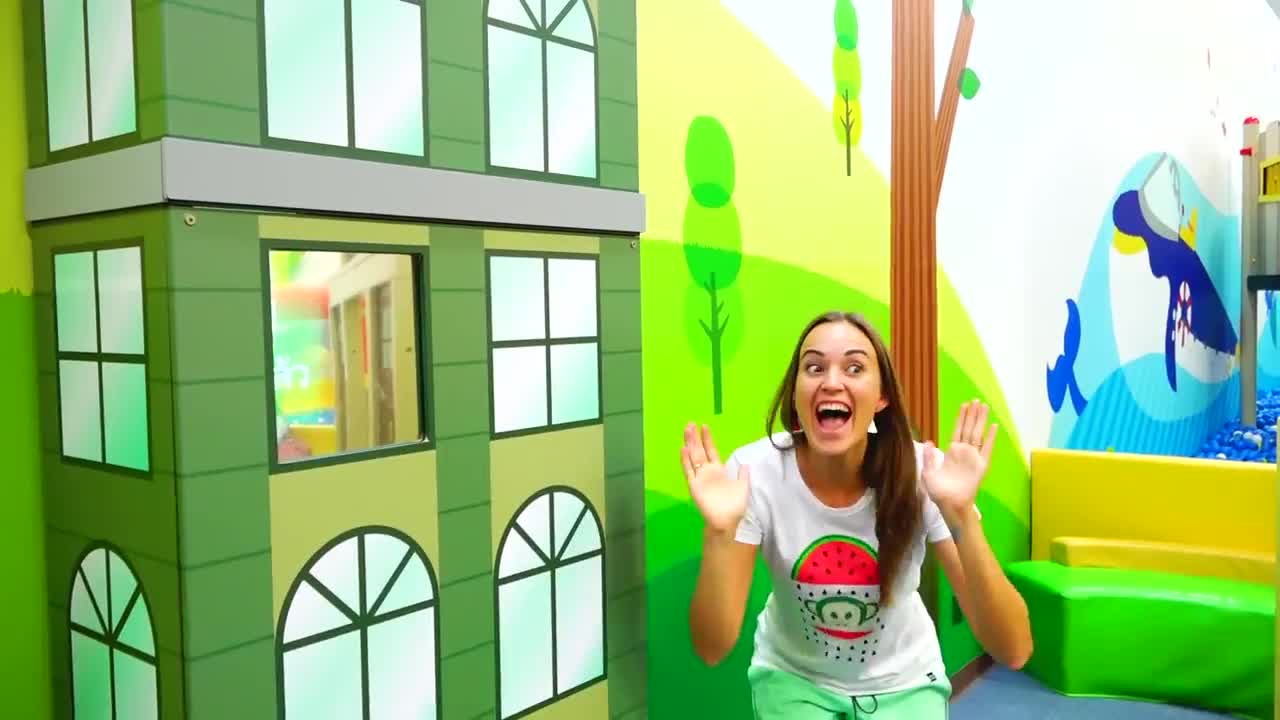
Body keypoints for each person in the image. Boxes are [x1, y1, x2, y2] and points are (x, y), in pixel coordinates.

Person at [682, 310, 1032, 719]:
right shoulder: (753, 472)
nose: (832, 382)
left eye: (854, 368)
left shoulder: (925, 474)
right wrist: (718, 533)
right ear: (795, 394)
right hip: (794, 678)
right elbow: (712, 648)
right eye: (814, 367)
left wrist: (960, 516)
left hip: (905, 681)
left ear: (882, 397)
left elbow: (1014, 648)